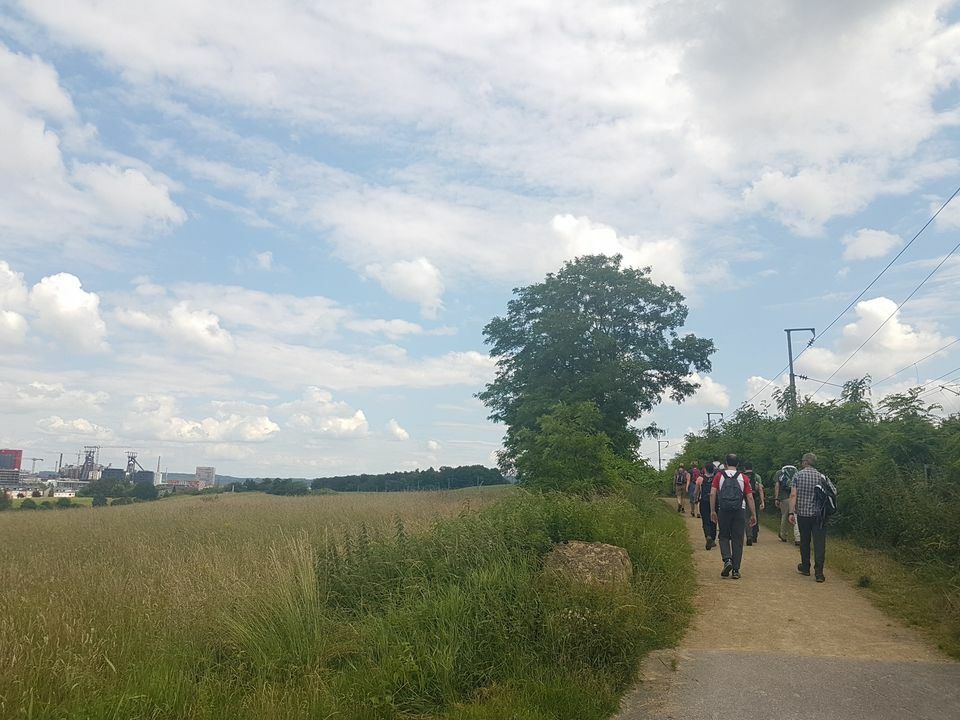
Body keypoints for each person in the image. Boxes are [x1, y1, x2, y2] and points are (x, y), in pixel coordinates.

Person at [789, 453, 837, 583]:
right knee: (819, 543)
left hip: (803, 514)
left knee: (804, 541)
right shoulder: (822, 476)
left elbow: (793, 495)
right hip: (819, 515)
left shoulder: (798, 475)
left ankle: (805, 567)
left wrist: (791, 513)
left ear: (805, 462)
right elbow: (834, 491)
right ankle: (819, 573)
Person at [710, 453, 757, 580]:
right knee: (738, 539)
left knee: (724, 536)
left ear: (725, 463)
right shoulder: (743, 477)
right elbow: (750, 497)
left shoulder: (719, 476)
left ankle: (727, 560)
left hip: (723, 510)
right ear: (737, 464)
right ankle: (736, 570)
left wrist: (712, 511)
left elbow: (713, 493)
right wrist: (753, 514)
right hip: (739, 510)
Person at [775, 465, 801, 545]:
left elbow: (777, 486)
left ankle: (783, 535)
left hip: (784, 498)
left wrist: (776, 498)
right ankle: (797, 538)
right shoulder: (797, 473)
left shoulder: (779, 473)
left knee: (784, 516)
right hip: (795, 497)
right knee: (795, 516)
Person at [742, 463, 765, 545]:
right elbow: (760, 489)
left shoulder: (742, 476)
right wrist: (762, 501)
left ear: (745, 468)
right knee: (755, 515)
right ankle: (754, 536)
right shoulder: (756, 476)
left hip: (744, 499)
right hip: (755, 499)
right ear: (752, 468)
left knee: (746, 517)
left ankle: (748, 535)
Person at [696, 462, 717, 549]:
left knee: (705, 520)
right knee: (714, 520)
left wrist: (696, 498)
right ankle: (712, 538)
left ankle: (707, 536)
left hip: (704, 501)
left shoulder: (700, 479)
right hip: (715, 501)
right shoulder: (716, 478)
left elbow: (697, 491)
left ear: (705, 469)